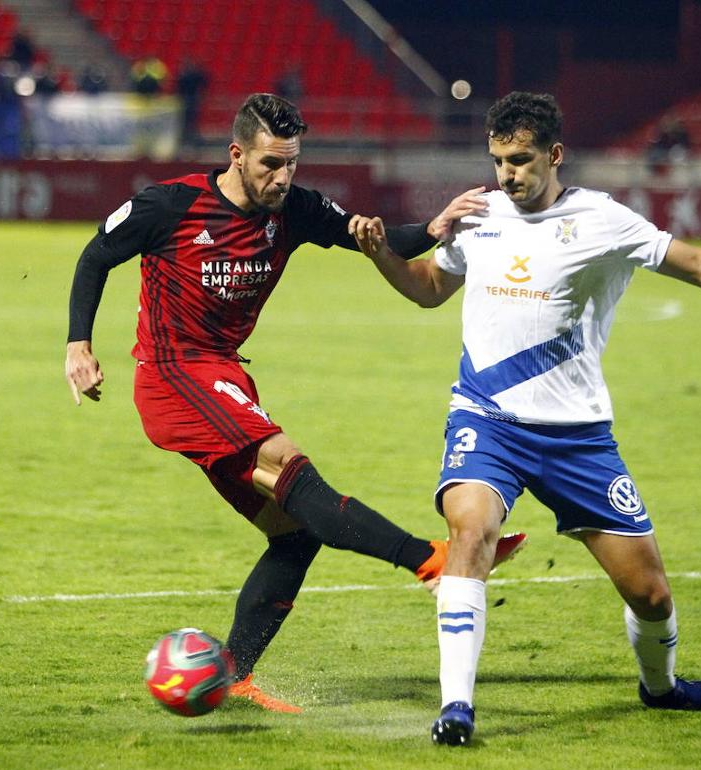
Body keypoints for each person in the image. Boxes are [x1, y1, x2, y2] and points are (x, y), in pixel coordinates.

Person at [352, 91, 701, 746]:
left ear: (554, 154)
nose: (506, 175)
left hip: (578, 440)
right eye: (497, 161)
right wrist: (383, 254)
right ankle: (456, 710)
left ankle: (661, 690)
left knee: (652, 596)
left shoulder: (604, 221)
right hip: (488, 421)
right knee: (470, 534)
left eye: (519, 160)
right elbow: (430, 288)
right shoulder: (478, 215)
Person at [65, 93, 526, 713]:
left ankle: (232, 674)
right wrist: (78, 345)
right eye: (269, 166)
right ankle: (432, 563)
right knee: (288, 464)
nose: (282, 179)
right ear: (236, 154)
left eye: (291, 165)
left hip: (223, 378)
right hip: (174, 378)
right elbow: (97, 253)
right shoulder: (171, 204)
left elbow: (375, 238)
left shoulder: (297, 210)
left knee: (293, 535)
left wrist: (435, 227)